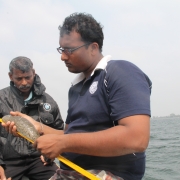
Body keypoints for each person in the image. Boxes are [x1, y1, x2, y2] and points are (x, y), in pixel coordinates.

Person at [2, 13, 152, 180]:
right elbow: (70, 134)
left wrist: (62, 143)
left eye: (69, 50)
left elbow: (137, 138)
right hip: (68, 173)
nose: (63, 56)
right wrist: (38, 127)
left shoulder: (120, 72)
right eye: (61, 49)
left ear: (93, 48)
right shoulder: (76, 88)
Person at [0, 56, 64, 180]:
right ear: (10, 76)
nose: (24, 82)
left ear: (33, 73)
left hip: (39, 160)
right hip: (8, 162)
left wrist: (50, 153)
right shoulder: (1, 99)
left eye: (28, 77)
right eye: (19, 78)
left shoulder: (48, 101)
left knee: (61, 177)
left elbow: (59, 133)